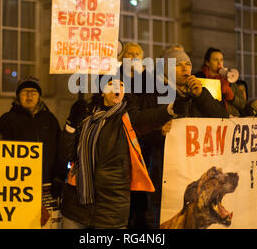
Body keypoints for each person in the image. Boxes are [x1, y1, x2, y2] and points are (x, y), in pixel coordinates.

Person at [60, 79, 174, 229]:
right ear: (102, 92)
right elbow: (65, 154)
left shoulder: (127, 117)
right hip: (75, 204)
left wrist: (170, 110)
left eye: (121, 85)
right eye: (112, 84)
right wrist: (70, 123)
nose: (118, 88)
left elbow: (148, 118)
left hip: (111, 207)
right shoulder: (86, 116)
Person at [135, 48, 229, 228]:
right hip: (164, 174)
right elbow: (142, 131)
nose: (186, 69)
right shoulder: (154, 93)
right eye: (179, 65)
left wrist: (201, 95)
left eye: (188, 64)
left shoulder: (197, 91)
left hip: (193, 173)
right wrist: (158, 132)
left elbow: (221, 116)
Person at [0, 76, 62, 227]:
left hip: (47, 188)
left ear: (39, 95)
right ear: (18, 96)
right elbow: (0, 156)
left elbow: (60, 150)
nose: (29, 95)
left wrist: (59, 177)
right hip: (19, 189)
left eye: (33, 91)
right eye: (25, 91)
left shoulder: (50, 119)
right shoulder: (7, 120)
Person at [194, 47, 247, 116]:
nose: (219, 63)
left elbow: (242, 104)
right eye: (215, 60)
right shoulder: (199, 78)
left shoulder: (228, 79)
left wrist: (232, 97)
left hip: (229, 120)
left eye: (221, 60)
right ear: (207, 62)